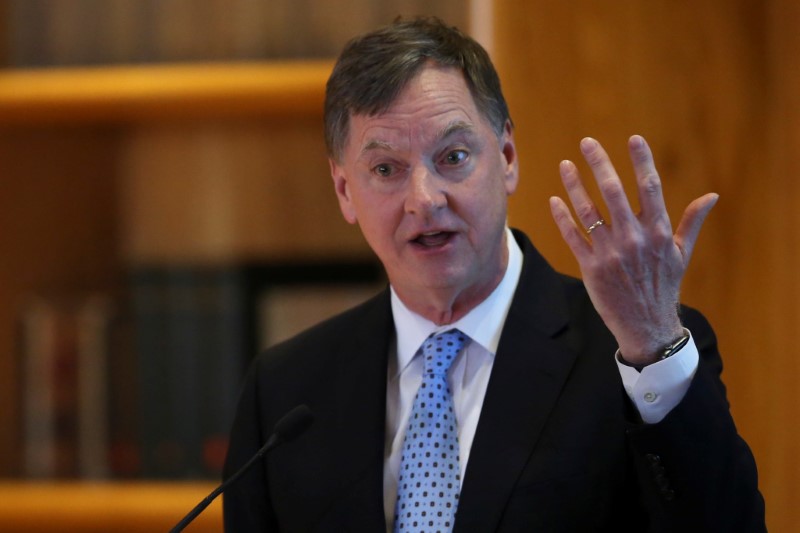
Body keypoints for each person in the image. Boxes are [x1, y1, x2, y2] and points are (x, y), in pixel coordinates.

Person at [223, 17, 765, 532]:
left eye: (453, 157)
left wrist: (653, 341)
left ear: (506, 156)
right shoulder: (286, 391)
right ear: (345, 189)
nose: (425, 199)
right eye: (386, 169)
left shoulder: (632, 356)